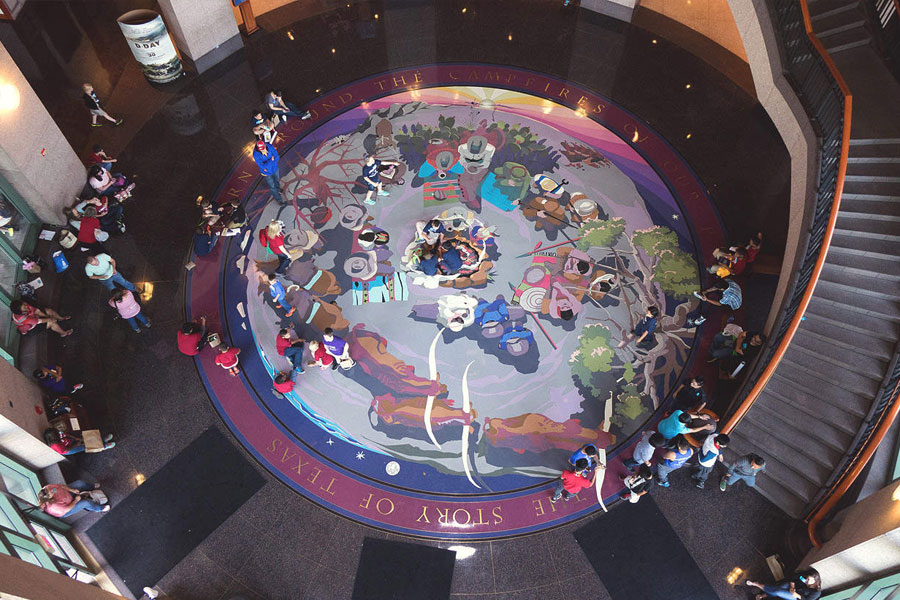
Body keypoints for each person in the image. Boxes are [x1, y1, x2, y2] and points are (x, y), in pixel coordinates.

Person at [39, 481, 109, 517]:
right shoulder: (55, 507)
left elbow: (60, 486)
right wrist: (76, 500)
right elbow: (67, 508)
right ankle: (100, 509)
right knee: (85, 503)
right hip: (67, 507)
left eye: (50, 489)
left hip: (67, 495)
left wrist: (72, 490)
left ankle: (92, 486)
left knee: (80, 483)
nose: (52, 490)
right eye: (51, 492)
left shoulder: (48, 488)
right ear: (49, 497)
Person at [746, 570, 821, 600]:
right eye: (807, 579)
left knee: (778, 591)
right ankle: (764, 595)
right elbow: (794, 577)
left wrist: (796, 594)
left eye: (810, 580)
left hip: (797, 597)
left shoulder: (816, 592)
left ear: (816, 581)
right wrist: (792, 586)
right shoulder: (804, 576)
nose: (807, 581)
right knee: (780, 587)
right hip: (793, 586)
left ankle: (757, 584)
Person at [43, 428, 115, 456]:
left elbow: (65, 434)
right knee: (85, 446)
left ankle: (102, 439)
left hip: (69, 441)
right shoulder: (56, 446)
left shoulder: (55, 434)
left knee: (86, 439)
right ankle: (104, 446)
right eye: (57, 434)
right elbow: (66, 450)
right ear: (54, 438)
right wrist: (76, 445)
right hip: (68, 449)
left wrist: (75, 438)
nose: (59, 434)